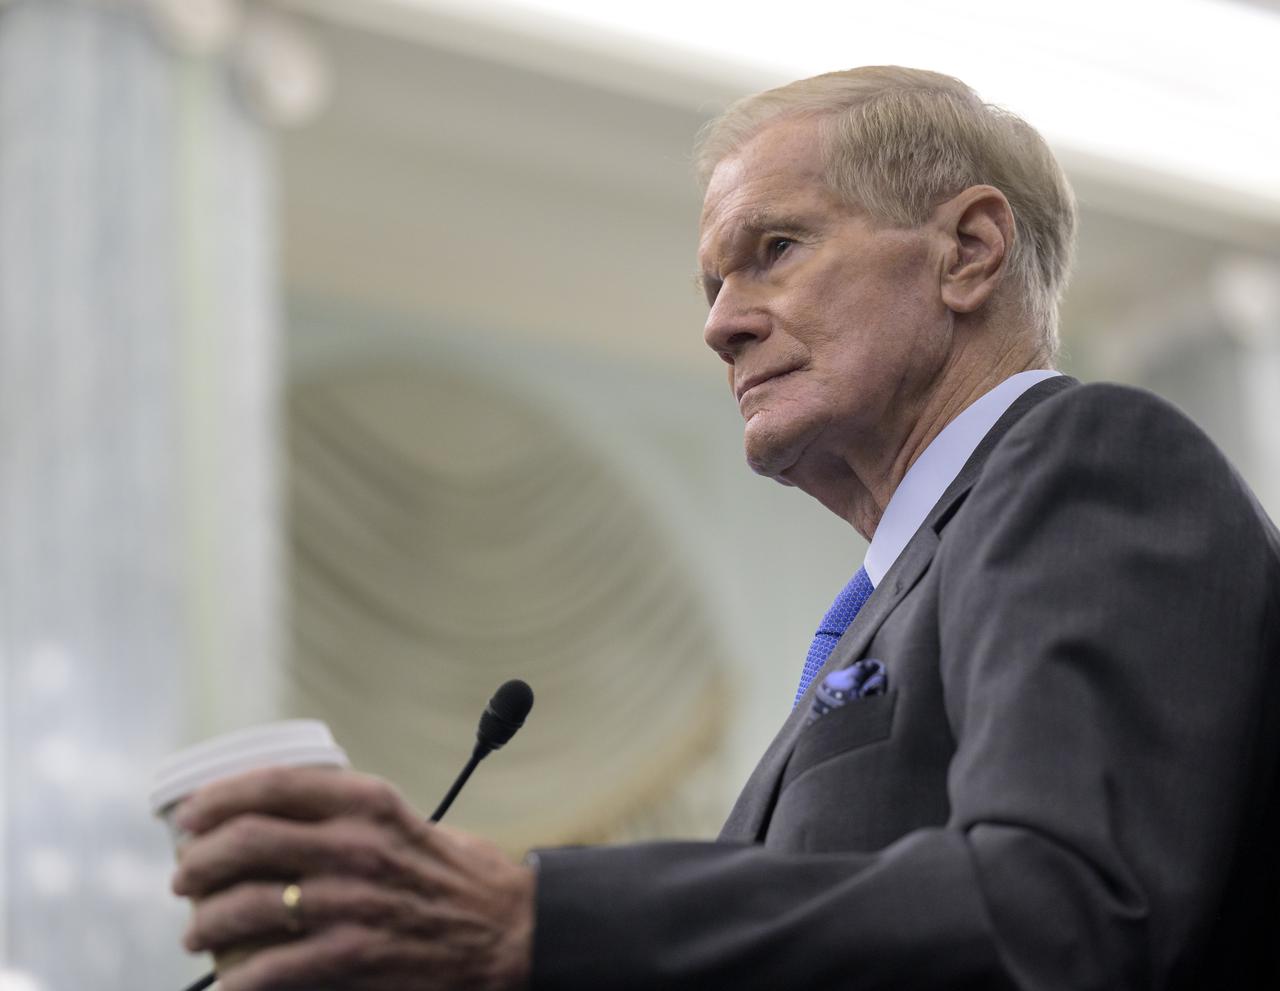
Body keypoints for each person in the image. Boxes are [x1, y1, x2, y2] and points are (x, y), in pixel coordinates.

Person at [169, 67, 1280, 990]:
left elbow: (1058, 912)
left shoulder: (1083, 461)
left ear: (968, 251)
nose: (718, 324)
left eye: (774, 249)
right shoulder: (886, 604)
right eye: (711, 282)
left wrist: (537, 920)